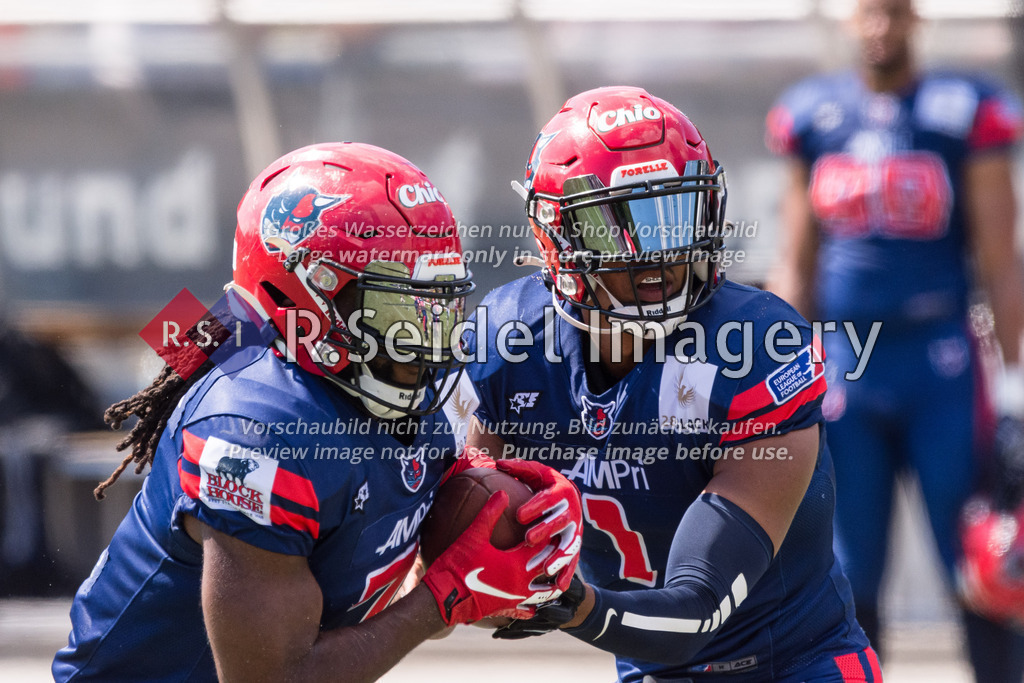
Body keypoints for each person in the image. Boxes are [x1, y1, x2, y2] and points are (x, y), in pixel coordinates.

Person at [52, 142, 581, 682]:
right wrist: (438, 600)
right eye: (398, 309)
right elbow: (274, 677)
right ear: (302, 302)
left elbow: (394, 584)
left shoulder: (395, 399)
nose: (423, 342)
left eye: (438, 308)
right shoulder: (250, 432)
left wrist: (501, 542)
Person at [453, 85, 879, 682]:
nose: (660, 254)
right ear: (558, 236)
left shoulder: (756, 346)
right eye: (621, 225)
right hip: (649, 667)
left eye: (673, 215)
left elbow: (699, 608)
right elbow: (462, 545)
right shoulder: (510, 340)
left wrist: (574, 605)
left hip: (796, 664)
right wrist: (473, 569)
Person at [764, 0, 1024, 680]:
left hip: (938, 356)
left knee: (980, 555)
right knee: (850, 565)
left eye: (895, 12)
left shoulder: (962, 107)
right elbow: (798, 260)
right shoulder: (813, 114)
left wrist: (1014, 382)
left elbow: (1001, 256)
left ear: (916, 20)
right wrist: (775, 363)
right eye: (871, 12)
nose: (882, 27)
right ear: (852, 20)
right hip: (848, 359)